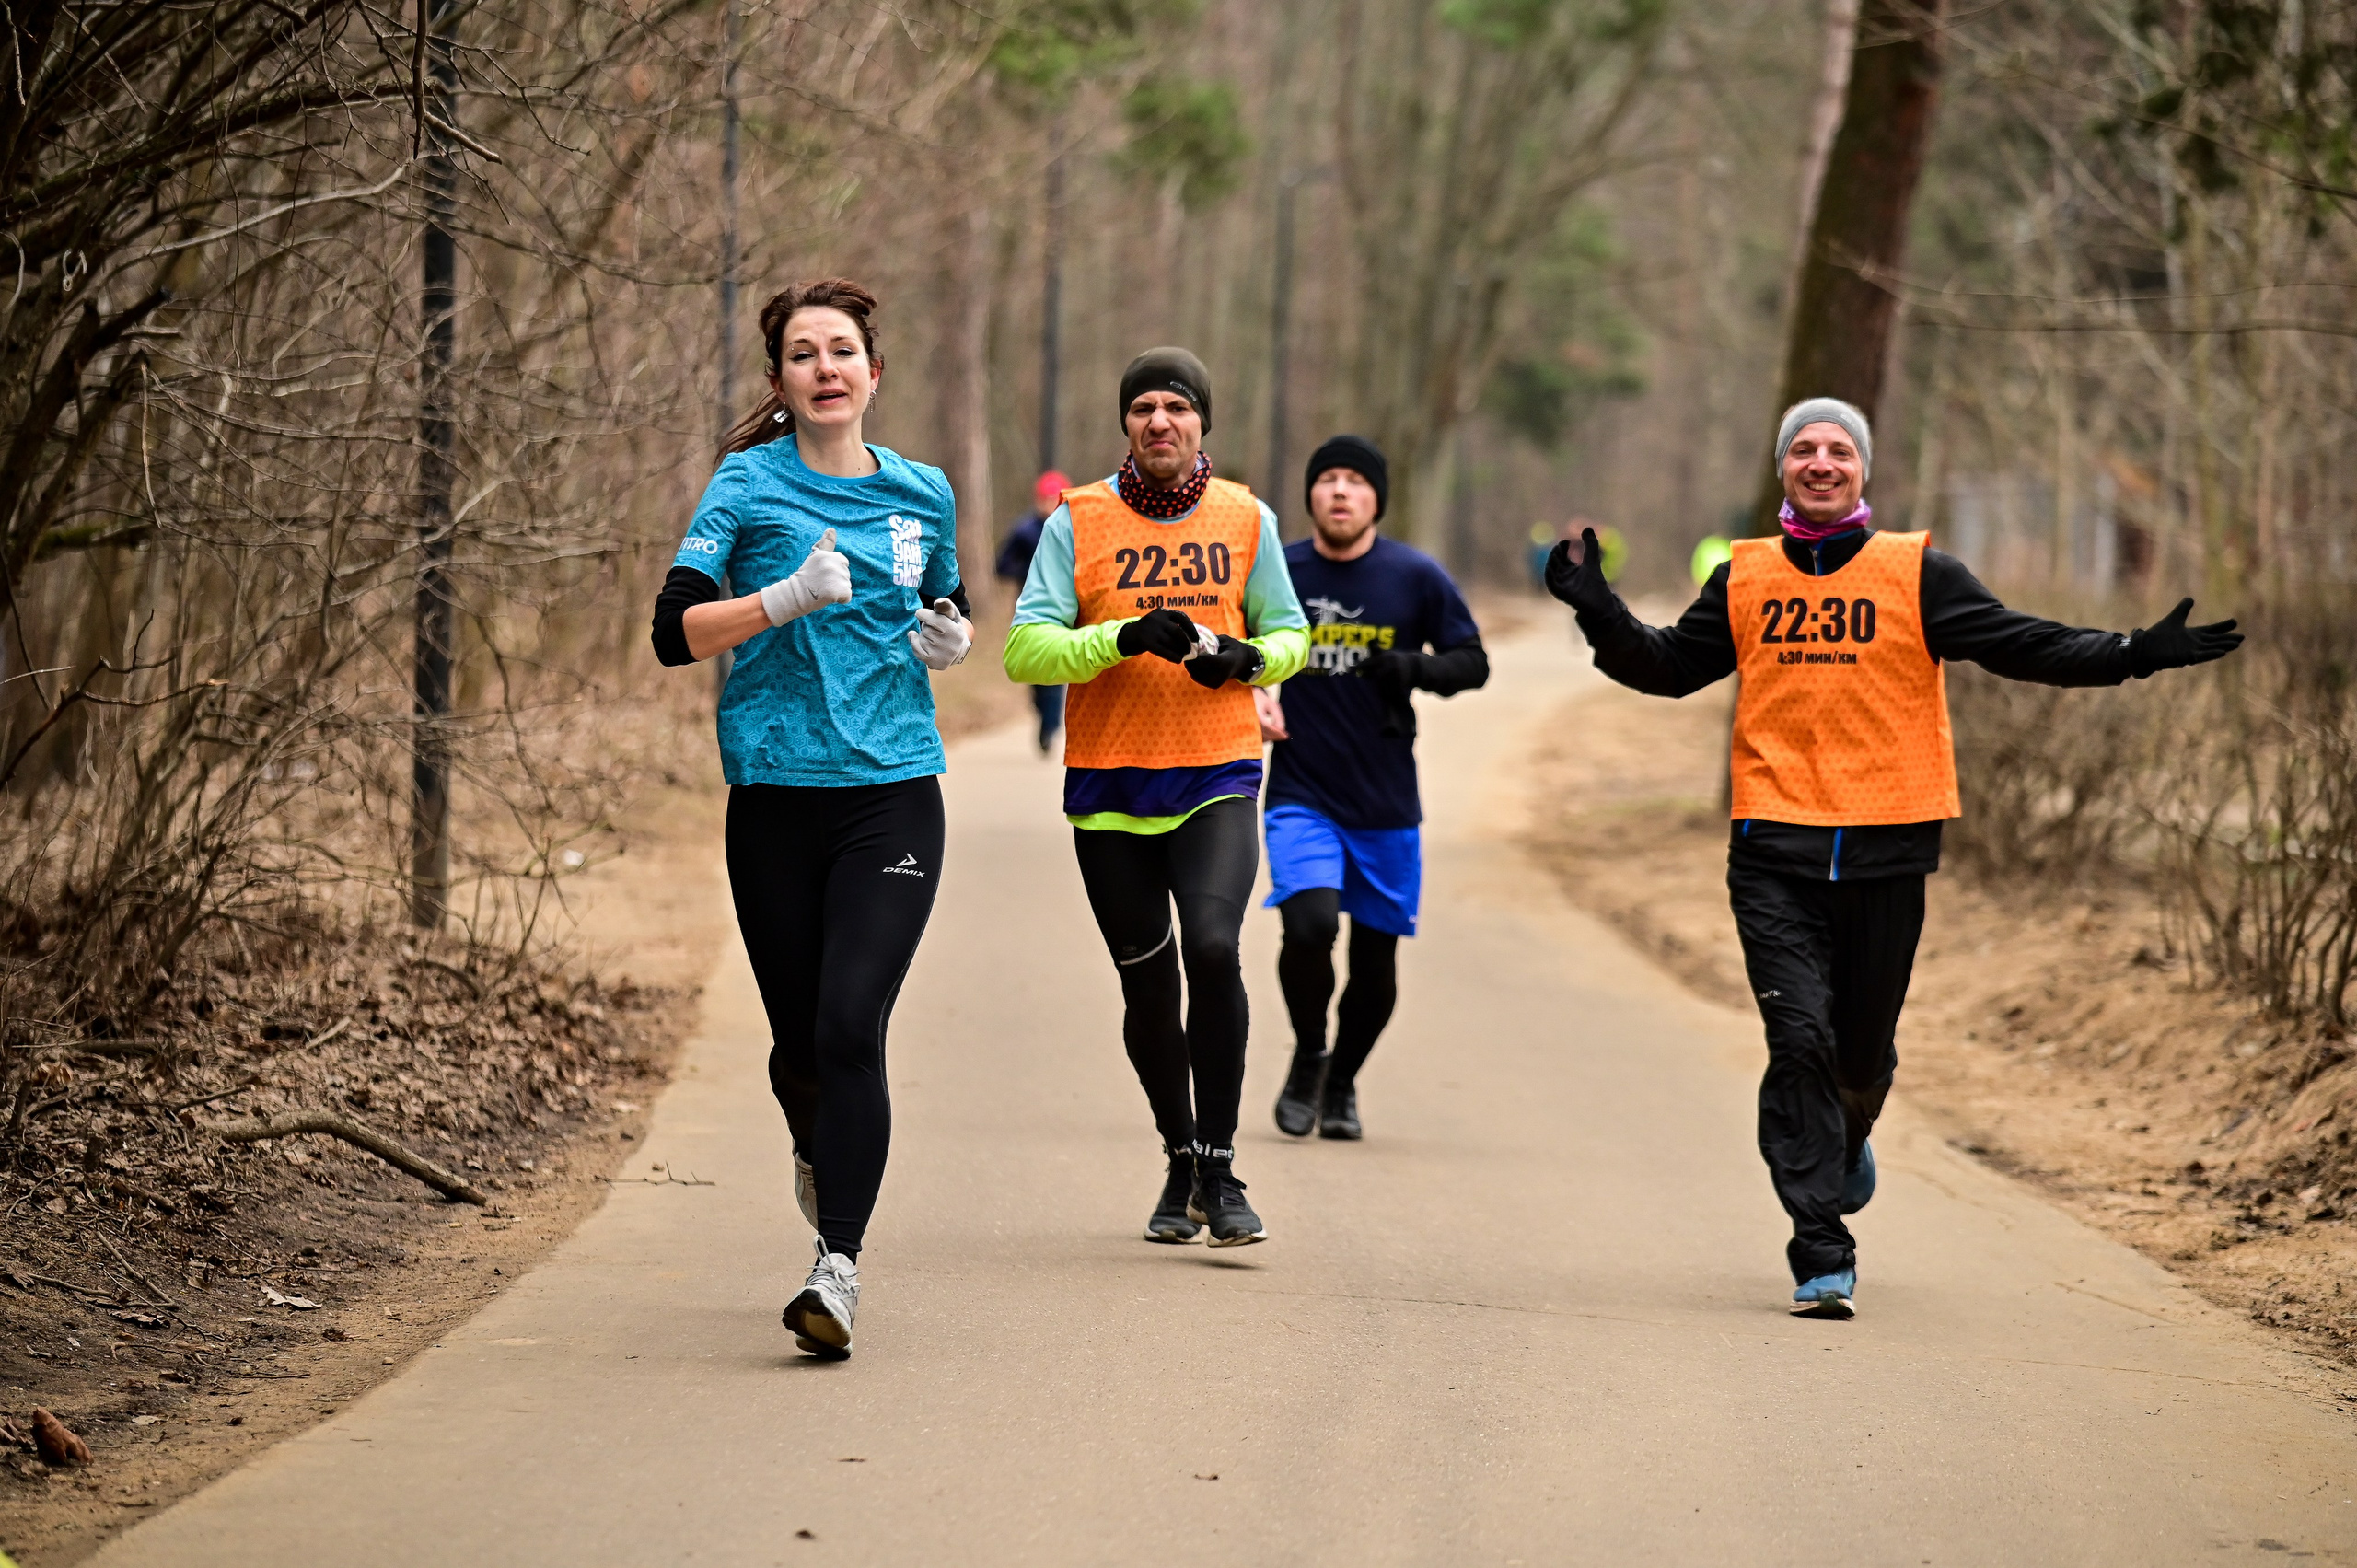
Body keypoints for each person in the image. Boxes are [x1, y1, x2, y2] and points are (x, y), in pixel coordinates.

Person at [1546, 396, 2243, 1320]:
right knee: (1797, 1039)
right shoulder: (1747, 576)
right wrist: (1596, 606)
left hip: (1887, 846)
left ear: (1862, 469)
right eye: (1804, 447)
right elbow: (1669, 665)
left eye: (1839, 448)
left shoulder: (1916, 573)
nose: (1822, 461)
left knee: (1855, 1058)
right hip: (1772, 848)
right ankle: (1820, 1247)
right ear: (1784, 467)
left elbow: (2019, 642)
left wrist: (2129, 652)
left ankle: (1848, 1128)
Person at [650, 278, 972, 1360]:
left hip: (891, 792)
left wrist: (948, 637)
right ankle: (814, 1137)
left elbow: (948, 597)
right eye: (803, 353)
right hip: (776, 796)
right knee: (800, 1051)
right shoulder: (745, 485)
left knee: (849, 1026)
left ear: (873, 375)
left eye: (843, 351)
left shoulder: (924, 490)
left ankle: (836, 1266)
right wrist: (779, 599)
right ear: (782, 382)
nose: (826, 367)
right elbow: (672, 631)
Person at [1002, 348, 1309, 1246]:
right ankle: (1179, 1154)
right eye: (1144, 407)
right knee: (1148, 987)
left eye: (1177, 406)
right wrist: (1122, 636)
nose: (1160, 420)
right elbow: (1025, 650)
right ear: (1127, 424)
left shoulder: (1244, 516)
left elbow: (1288, 630)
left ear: (1202, 421)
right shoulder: (1079, 519)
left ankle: (1220, 1163)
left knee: (1214, 948)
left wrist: (1250, 660)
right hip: (1109, 787)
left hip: (1216, 769)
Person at [1262, 435, 1487, 1142]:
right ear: (1310, 495)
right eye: (1326, 478)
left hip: (1386, 796)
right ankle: (1308, 1054)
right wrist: (1254, 696)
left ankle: (1344, 1079)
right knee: (1308, 925)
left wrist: (1415, 669)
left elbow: (1471, 662)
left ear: (1376, 500)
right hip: (1300, 788)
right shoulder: (1279, 571)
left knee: (1376, 956)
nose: (1339, 491)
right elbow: (1238, 650)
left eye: (1355, 481)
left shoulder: (1415, 576)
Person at [996, 470, 1074, 752]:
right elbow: (1002, 565)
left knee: (1053, 667)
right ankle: (1043, 711)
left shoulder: (1075, 527)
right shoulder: (1024, 531)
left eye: (1055, 499)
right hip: (1029, 608)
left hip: (1065, 609)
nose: (1050, 504)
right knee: (1036, 675)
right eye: (1045, 499)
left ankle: (1050, 725)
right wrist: (1029, 571)